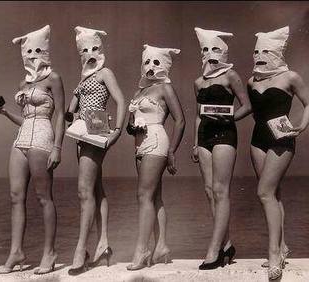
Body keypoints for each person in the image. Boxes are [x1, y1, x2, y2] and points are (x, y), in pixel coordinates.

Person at [0, 25, 65, 275]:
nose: (33, 56)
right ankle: (16, 252)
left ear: (45, 51)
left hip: (43, 137)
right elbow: (26, 119)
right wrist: (3, 112)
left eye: (37, 51)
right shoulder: (24, 82)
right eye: (28, 52)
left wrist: (57, 147)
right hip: (22, 137)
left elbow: (60, 115)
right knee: (15, 196)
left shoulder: (53, 78)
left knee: (44, 197)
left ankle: (49, 253)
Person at [248, 26, 309, 280]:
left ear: (276, 52)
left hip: (282, 137)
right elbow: (252, 111)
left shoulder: (290, 77)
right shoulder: (252, 80)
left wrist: (302, 126)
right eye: (257, 51)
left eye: (266, 51)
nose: (260, 55)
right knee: (273, 194)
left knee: (264, 192)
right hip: (257, 139)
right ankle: (282, 247)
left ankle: (273, 255)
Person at [66, 26, 125, 275]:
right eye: (85, 50)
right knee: (96, 189)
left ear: (100, 50)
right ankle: (103, 245)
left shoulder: (105, 73)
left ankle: (81, 250)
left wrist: (117, 130)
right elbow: (71, 110)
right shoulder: (83, 78)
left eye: (94, 49)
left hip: (97, 130)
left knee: (84, 190)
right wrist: (70, 116)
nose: (90, 54)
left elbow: (120, 100)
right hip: (81, 132)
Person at [192, 27, 252, 270]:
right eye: (205, 49)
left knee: (220, 189)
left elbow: (246, 105)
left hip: (225, 134)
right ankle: (227, 244)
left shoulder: (231, 76)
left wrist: (231, 119)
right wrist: (195, 143)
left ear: (223, 51)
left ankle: (213, 250)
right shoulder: (198, 82)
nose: (209, 54)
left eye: (215, 49)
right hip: (205, 136)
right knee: (209, 190)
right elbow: (197, 116)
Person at [126, 44, 185, 270]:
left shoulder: (165, 88)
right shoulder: (138, 91)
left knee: (143, 195)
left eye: (156, 62)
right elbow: (131, 123)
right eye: (147, 62)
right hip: (139, 144)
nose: (151, 67)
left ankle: (141, 251)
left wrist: (172, 151)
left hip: (156, 141)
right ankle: (161, 247)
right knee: (154, 196)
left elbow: (180, 120)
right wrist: (132, 128)